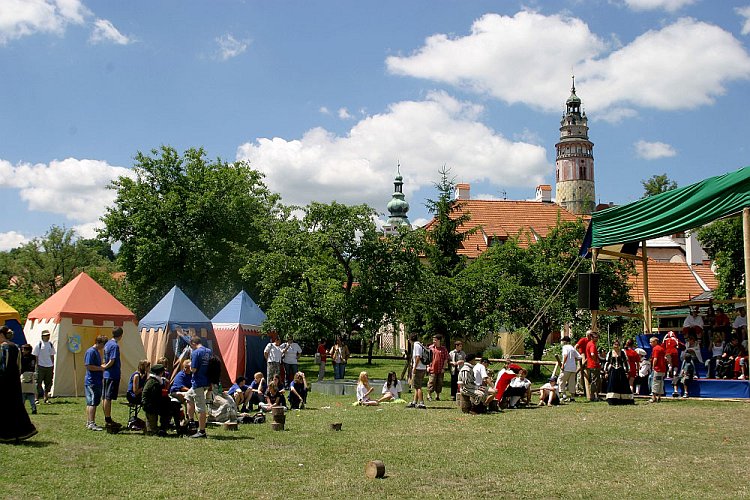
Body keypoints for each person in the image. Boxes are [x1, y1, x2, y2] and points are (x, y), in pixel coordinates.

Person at [0, 326, 37, 443]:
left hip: (4, 383)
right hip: (14, 382)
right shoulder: (16, 347)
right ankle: (22, 432)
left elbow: (2, 367)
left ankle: (6, 435)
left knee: (5, 408)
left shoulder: (4, 347)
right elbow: (19, 366)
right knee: (15, 407)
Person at [186, 336, 212, 438]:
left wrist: (190, 365)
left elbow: (193, 369)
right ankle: (191, 421)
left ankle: (202, 432)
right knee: (188, 396)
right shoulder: (208, 351)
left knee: (201, 407)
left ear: (193, 343)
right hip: (206, 380)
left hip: (198, 382)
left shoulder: (195, 353)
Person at [102, 327, 124, 432]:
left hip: (107, 375)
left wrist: (104, 367)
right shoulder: (115, 346)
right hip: (112, 374)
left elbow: (104, 358)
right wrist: (105, 367)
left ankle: (107, 418)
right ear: (120, 335)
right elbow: (112, 360)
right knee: (108, 397)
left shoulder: (107, 344)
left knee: (105, 397)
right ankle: (108, 419)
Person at [84, 336, 107, 431]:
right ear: (99, 343)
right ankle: (91, 423)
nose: (103, 347)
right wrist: (100, 368)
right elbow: (88, 366)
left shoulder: (97, 352)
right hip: (92, 381)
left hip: (96, 380)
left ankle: (89, 421)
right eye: (103, 344)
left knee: (91, 402)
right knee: (92, 403)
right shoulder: (91, 351)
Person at [604, 339, 634, 405]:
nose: (616, 346)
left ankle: (624, 400)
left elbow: (625, 362)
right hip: (613, 371)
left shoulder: (622, 352)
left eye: (617, 344)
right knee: (613, 385)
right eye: (615, 344)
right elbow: (607, 362)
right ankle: (613, 400)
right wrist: (606, 372)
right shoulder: (610, 353)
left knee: (623, 385)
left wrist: (626, 372)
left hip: (621, 370)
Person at [32, 329, 55, 405]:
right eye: (45, 335)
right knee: (38, 382)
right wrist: (37, 365)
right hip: (40, 366)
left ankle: (46, 398)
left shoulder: (50, 344)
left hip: (49, 366)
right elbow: (36, 355)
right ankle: (36, 398)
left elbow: (52, 355)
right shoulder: (39, 344)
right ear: (42, 336)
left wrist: (52, 364)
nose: (47, 337)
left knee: (48, 383)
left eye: (48, 335)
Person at [407, 334, 427, 409]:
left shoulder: (416, 345)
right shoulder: (420, 345)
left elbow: (418, 357)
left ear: (410, 339)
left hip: (418, 368)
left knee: (418, 387)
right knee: (416, 386)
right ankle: (414, 402)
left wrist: (414, 367)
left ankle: (421, 403)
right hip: (423, 367)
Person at [426, 334, 449, 401]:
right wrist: (427, 366)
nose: (434, 341)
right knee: (431, 382)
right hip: (432, 368)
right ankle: (429, 395)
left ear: (439, 341)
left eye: (435, 340)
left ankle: (437, 395)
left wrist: (443, 368)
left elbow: (446, 359)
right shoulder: (430, 348)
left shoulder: (443, 349)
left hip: (440, 369)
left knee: (440, 383)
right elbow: (427, 358)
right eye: (433, 340)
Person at [559, 336, 581, 402]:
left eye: (563, 341)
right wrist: (573, 360)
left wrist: (563, 364)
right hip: (573, 368)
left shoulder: (565, 347)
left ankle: (564, 395)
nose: (562, 342)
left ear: (565, 341)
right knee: (572, 382)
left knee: (561, 380)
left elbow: (565, 355)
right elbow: (579, 357)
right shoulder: (572, 348)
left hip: (566, 367)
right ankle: (572, 397)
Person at [19, 344, 37, 415]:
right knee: (31, 394)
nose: (23, 351)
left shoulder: (23, 358)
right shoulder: (33, 357)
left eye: (24, 350)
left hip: (25, 375)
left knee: (23, 393)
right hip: (31, 375)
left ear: (28, 350)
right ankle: (33, 407)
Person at [585, 331, 601, 401]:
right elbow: (592, 354)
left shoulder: (589, 343)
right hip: (593, 365)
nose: (597, 339)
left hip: (591, 365)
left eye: (597, 337)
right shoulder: (592, 345)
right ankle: (592, 396)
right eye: (595, 337)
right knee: (594, 381)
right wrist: (596, 360)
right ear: (591, 337)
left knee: (595, 380)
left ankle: (596, 396)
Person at [649, 336, 666, 403]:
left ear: (655, 342)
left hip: (657, 369)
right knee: (661, 383)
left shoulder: (655, 349)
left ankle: (653, 397)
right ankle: (659, 397)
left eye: (651, 342)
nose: (650, 343)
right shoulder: (661, 348)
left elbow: (655, 359)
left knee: (655, 382)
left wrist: (653, 366)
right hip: (663, 369)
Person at [575, 331, 592, 396]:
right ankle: (579, 389)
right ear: (588, 335)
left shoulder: (591, 342)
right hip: (582, 357)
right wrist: (577, 355)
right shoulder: (583, 340)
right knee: (580, 374)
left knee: (587, 374)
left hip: (588, 359)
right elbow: (576, 346)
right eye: (591, 335)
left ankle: (586, 389)